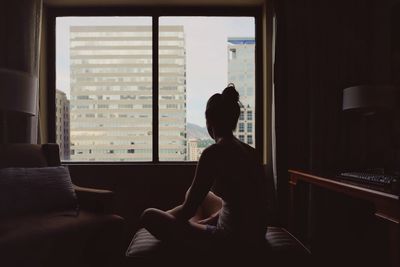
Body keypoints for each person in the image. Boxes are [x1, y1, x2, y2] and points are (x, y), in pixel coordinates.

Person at [139, 84, 269, 250]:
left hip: (232, 240)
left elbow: (187, 209)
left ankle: (189, 224)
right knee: (203, 196)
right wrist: (205, 222)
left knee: (148, 216)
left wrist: (172, 222)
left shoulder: (214, 153)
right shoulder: (251, 152)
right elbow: (247, 202)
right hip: (256, 233)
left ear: (209, 121)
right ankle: (196, 223)